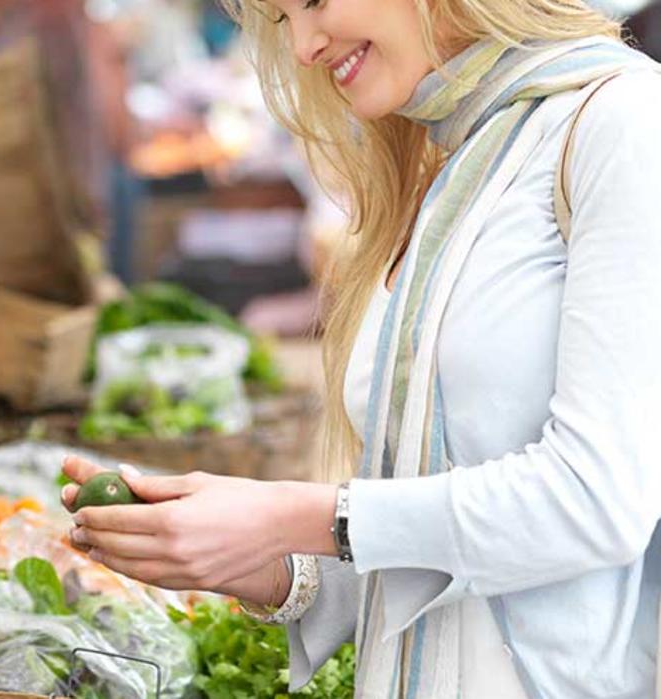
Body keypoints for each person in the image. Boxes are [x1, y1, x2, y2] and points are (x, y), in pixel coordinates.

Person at [61, 1, 661, 697]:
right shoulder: (450, 162)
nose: (306, 47)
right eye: (283, 20)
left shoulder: (623, 123)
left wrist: (295, 514)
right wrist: (264, 561)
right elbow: (429, 555)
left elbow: (597, 501)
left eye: (313, 1)